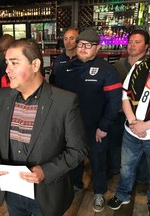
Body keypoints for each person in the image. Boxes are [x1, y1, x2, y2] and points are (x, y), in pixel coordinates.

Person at [0, 38, 87, 216]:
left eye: (14, 63)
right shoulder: (2, 97)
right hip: (12, 190)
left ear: (35, 65)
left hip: (46, 192)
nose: (7, 69)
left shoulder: (64, 101)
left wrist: (46, 171)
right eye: (7, 63)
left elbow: (77, 150)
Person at [55, 28, 122, 212]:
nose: (83, 48)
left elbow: (114, 102)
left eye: (88, 45)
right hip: (72, 128)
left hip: (96, 129)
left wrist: (104, 126)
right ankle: (76, 185)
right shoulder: (66, 67)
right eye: (81, 44)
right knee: (73, 160)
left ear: (97, 48)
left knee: (98, 162)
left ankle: (99, 193)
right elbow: (58, 96)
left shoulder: (107, 70)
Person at [107, 23, 150, 216]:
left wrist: (146, 125)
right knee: (126, 168)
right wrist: (134, 123)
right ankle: (123, 193)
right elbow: (125, 95)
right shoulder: (140, 66)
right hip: (131, 130)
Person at [107, 30, 150, 178]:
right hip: (118, 112)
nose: (132, 46)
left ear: (146, 46)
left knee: (141, 148)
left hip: (140, 118)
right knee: (115, 143)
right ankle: (115, 170)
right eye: (130, 42)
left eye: (137, 42)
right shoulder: (118, 65)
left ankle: (141, 177)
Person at [48, 27, 84, 191]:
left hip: (78, 110)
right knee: (60, 146)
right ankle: (62, 180)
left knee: (75, 146)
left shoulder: (83, 60)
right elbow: (53, 83)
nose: (68, 41)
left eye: (72, 38)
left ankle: (77, 181)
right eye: (66, 38)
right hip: (60, 110)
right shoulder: (59, 60)